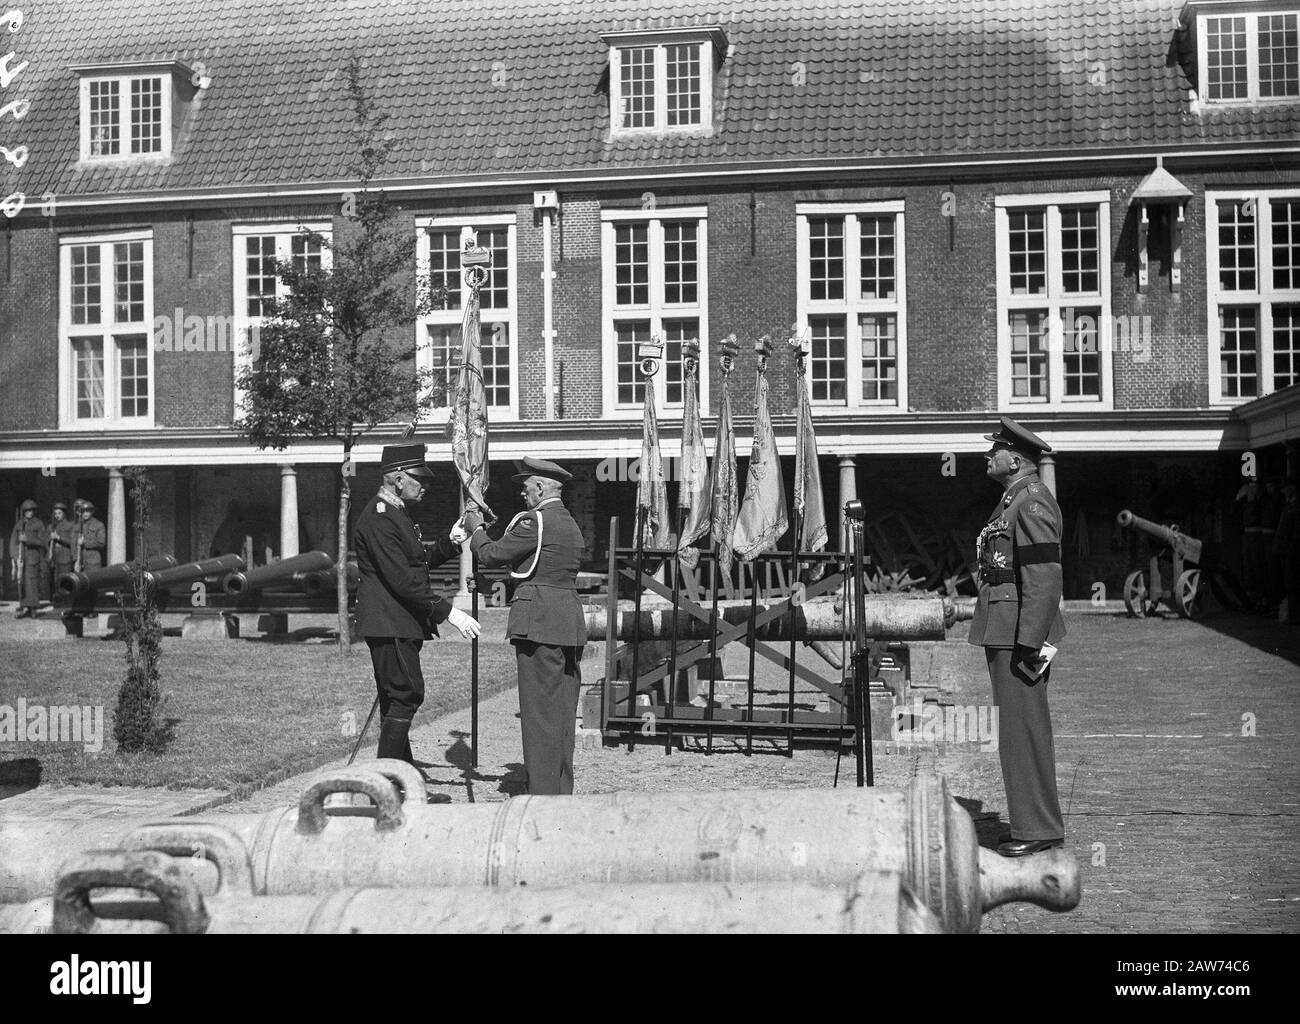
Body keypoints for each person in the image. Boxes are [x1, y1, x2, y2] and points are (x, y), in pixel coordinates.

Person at [968, 417, 1067, 857]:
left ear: (1015, 459)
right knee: (1014, 731)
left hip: (1017, 635)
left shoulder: (1030, 503)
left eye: (995, 451)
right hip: (1005, 628)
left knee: (1023, 730)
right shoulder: (1013, 501)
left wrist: (1030, 641)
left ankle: (1038, 827)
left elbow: (1043, 576)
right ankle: (1032, 823)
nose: (989, 457)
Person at [460, 457, 587, 795]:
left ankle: (543, 796)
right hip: (566, 622)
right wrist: (488, 586)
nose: (522, 493)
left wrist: (476, 528)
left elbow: (492, 554)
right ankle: (559, 789)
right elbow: (538, 570)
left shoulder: (535, 521)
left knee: (538, 714)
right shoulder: (569, 523)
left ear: (541, 487)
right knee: (560, 713)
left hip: (539, 625)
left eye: (526, 487)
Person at [353, 441, 482, 765]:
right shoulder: (380, 518)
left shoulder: (395, 513)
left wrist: (448, 544)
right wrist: (450, 612)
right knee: (406, 694)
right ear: (397, 478)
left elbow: (415, 562)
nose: (424, 486)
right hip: (390, 621)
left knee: (396, 698)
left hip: (395, 621)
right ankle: (387, 782)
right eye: (418, 478)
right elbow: (403, 580)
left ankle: (400, 780)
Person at [13, 499, 47, 618]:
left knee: (32, 583)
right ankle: (25, 606)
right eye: (27, 510)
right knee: (22, 583)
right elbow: (13, 541)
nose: (29, 512)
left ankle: (33, 608)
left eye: (31, 510)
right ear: (23, 512)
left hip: (33, 557)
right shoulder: (19, 524)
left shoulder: (38, 524)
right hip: (21, 557)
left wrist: (28, 540)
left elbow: (43, 542)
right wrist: (15, 556)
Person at [47, 501, 78, 591]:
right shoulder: (51, 526)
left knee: (65, 580)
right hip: (55, 558)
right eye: (55, 513)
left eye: (59, 513)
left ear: (64, 514)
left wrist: (58, 537)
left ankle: (66, 601)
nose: (57, 515)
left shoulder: (70, 525)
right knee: (56, 581)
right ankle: (58, 600)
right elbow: (46, 542)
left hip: (65, 558)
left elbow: (72, 542)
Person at [77, 500, 106, 571]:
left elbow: (101, 543)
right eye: (83, 511)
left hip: (93, 562)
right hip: (81, 561)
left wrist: (84, 542)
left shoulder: (99, 525)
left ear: (92, 512)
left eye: (87, 511)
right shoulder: (80, 525)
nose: (85, 513)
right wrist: (77, 561)